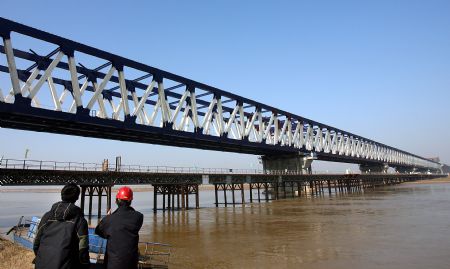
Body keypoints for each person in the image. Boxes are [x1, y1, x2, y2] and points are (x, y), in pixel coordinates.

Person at [33, 183, 90, 269]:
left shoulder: (47, 216)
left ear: (62, 195)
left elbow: (36, 242)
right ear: (77, 197)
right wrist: (85, 264)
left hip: (41, 264)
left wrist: (41, 257)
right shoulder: (80, 220)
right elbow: (83, 248)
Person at [95, 186, 144, 269]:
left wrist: (108, 218)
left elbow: (98, 231)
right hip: (131, 264)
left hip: (112, 264)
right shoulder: (139, 217)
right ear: (130, 200)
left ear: (117, 200)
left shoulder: (109, 219)